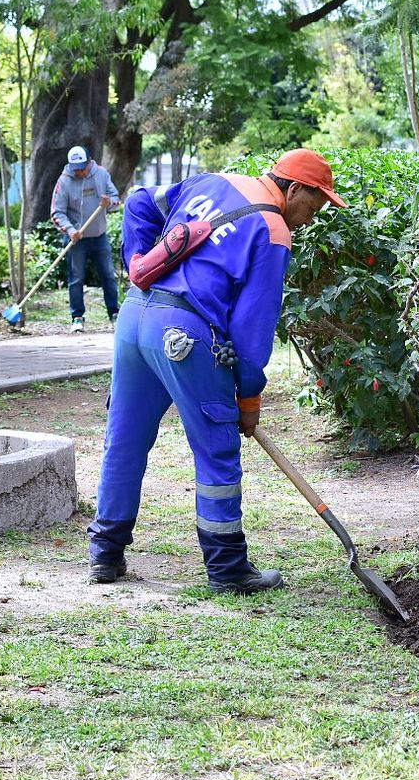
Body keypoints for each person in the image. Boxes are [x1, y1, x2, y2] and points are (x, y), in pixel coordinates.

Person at [88, 148, 345, 594]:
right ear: (296, 188)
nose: (314, 215)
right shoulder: (273, 231)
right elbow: (252, 329)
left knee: (124, 440)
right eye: (316, 203)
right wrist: (248, 398)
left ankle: (104, 555)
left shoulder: (214, 181)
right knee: (217, 448)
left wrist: (138, 262)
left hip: (134, 320)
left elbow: (139, 203)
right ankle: (227, 568)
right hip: (184, 335)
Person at [50, 145, 121, 333]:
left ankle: (114, 314)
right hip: (76, 240)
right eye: (76, 168)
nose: (80, 171)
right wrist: (70, 230)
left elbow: (116, 200)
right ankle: (77, 317)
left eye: (83, 167)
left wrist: (109, 203)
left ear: (90, 162)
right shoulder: (64, 181)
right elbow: (57, 212)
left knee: (108, 276)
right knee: (76, 279)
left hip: (99, 237)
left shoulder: (102, 174)